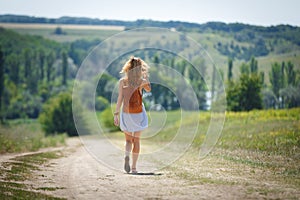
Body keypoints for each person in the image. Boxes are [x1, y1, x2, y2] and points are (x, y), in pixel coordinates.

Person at [113, 56, 151, 174]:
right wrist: (145, 78)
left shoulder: (122, 82)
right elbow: (149, 89)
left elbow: (120, 98)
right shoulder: (141, 82)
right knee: (137, 141)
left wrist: (116, 114)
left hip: (126, 113)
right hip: (138, 114)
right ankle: (134, 168)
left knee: (128, 141)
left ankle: (126, 155)